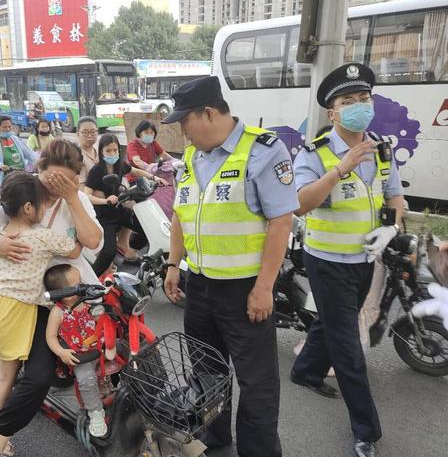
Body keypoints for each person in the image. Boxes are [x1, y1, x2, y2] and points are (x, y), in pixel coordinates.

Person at [163, 76, 298, 457]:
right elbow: (180, 215)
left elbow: (280, 222)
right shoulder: (191, 158)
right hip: (200, 286)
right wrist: (174, 265)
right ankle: (215, 436)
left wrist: (264, 287)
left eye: (185, 123)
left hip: (245, 289)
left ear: (208, 113)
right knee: (207, 369)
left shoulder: (263, 151)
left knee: (257, 383)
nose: (183, 134)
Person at [290, 63, 405, 457]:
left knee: (331, 323)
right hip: (326, 261)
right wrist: (341, 168)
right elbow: (301, 203)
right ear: (332, 112)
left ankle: (304, 370)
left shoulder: (382, 148)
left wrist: (391, 225)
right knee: (347, 344)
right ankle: (366, 432)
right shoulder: (316, 153)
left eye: (364, 98)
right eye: (348, 101)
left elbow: (395, 196)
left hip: (364, 259)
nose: (359, 106)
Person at [0, 139, 103, 456]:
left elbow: (94, 242)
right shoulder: (22, 195)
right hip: (26, 300)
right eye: (51, 179)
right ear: (39, 168)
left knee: (100, 350)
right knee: (34, 376)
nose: (56, 186)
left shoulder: (77, 199)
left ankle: (99, 409)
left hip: (68, 297)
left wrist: (73, 198)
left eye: (66, 180)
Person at [0, 172, 80, 455]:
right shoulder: (41, 236)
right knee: (7, 376)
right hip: (16, 311)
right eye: (43, 204)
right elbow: (74, 251)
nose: (45, 209)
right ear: (29, 208)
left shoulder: (3, 233)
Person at [85, 133, 167, 275]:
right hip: (104, 217)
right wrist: (105, 201)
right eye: (108, 151)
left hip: (119, 210)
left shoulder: (120, 166)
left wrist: (154, 177)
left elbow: (135, 171)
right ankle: (92, 278)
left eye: (115, 150)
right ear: (101, 152)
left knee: (145, 228)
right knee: (108, 252)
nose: (112, 153)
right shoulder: (96, 171)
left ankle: (128, 252)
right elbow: (86, 195)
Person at [45, 264, 108, 437]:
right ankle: (95, 412)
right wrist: (61, 352)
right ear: (63, 293)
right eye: (77, 284)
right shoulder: (58, 312)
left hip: (100, 345)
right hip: (81, 355)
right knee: (86, 379)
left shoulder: (86, 301)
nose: (82, 285)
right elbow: (50, 336)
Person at [0, 115, 36, 189]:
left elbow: (28, 152)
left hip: (20, 175)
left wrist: (39, 162)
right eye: (4, 127)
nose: (8, 129)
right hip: (5, 180)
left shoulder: (15, 139)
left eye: (9, 126)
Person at [76, 116, 99, 190]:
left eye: (93, 132)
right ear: (78, 134)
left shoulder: (100, 151)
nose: (89, 136)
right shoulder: (76, 155)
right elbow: (81, 187)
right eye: (85, 132)